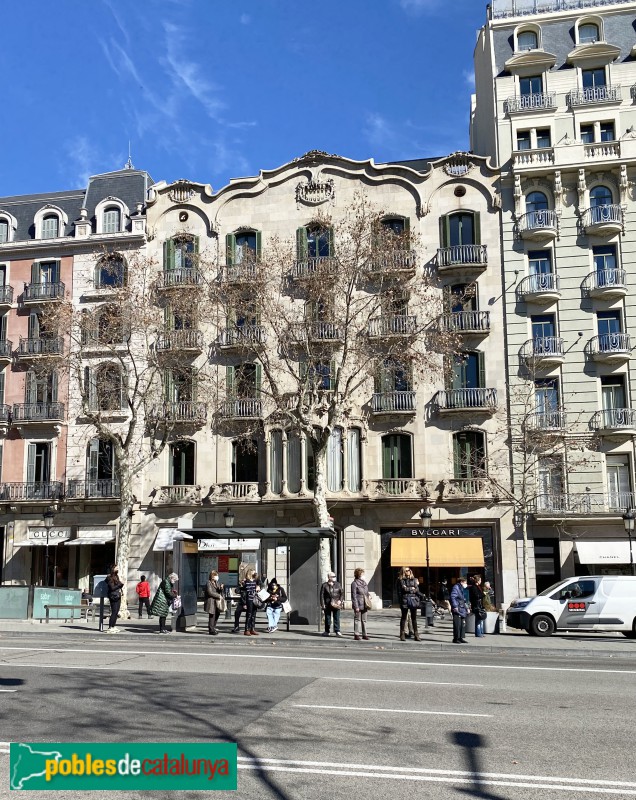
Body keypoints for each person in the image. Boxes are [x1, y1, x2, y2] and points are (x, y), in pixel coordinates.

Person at [397, 567, 422, 642]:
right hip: (405, 600)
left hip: (413, 600)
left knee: (414, 618)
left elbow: (417, 589)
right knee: (404, 617)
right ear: (404, 572)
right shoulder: (402, 580)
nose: (408, 571)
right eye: (406, 571)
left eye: (409, 570)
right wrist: (412, 588)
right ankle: (402, 634)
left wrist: (409, 588)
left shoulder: (414, 579)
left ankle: (416, 634)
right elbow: (404, 589)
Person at [320, 572, 343, 637]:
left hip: (336, 603)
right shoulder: (324, 585)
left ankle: (337, 631)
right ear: (329, 577)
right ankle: (327, 631)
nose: (334, 577)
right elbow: (322, 595)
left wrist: (340, 600)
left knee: (336, 617)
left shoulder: (338, 584)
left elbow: (341, 593)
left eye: (335, 576)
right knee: (327, 618)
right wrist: (322, 604)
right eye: (333, 576)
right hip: (327, 604)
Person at [351, 567, 370, 641]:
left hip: (365, 603)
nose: (363, 575)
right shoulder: (354, 583)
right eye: (362, 574)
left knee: (364, 620)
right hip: (358, 603)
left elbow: (366, 592)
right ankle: (356, 634)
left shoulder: (364, 583)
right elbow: (354, 595)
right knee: (357, 619)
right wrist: (356, 606)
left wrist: (369, 596)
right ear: (358, 575)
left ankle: (364, 634)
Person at [105, 565, 124, 634]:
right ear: (113, 569)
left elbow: (117, 585)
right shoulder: (109, 577)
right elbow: (112, 588)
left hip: (117, 595)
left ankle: (113, 626)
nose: (118, 569)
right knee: (114, 611)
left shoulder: (116, 576)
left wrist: (120, 584)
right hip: (113, 596)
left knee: (116, 612)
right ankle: (110, 627)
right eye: (116, 568)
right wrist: (120, 585)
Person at [242, 570, 261, 636]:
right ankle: (246, 629)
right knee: (249, 614)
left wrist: (258, 586)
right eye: (253, 572)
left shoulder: (255, 581)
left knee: (254, 615)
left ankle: (252, 629)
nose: (255, 573)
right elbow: (246, 591)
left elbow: (260, 583)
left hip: (254, 600)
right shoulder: (246, 581)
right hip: (249, 599)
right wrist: (244, 603)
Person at [450, 577, 469, 644]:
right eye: (465, 582)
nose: (466, 584)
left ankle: (460, 637)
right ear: (461, 582)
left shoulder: (460, 588)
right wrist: (455, 606)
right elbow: (453, 597)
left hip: (461, 608)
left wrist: (467, 608)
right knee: (457, 624)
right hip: (457, 608)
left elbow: (463, 599)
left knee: (461, 624)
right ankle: (456, 638)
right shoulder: (456, 587)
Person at [204, 570, 223, 635]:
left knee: (217, 614)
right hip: (211, 601)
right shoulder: (208, 583)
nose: (217, 577)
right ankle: (211, 629)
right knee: (212, 615)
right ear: (212, 576)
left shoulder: (216, 582)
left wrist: (221, 588)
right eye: (216, 575)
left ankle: (213, 627)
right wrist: (218, 595)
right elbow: (210, 592)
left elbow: (218, 590)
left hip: (216, 601)